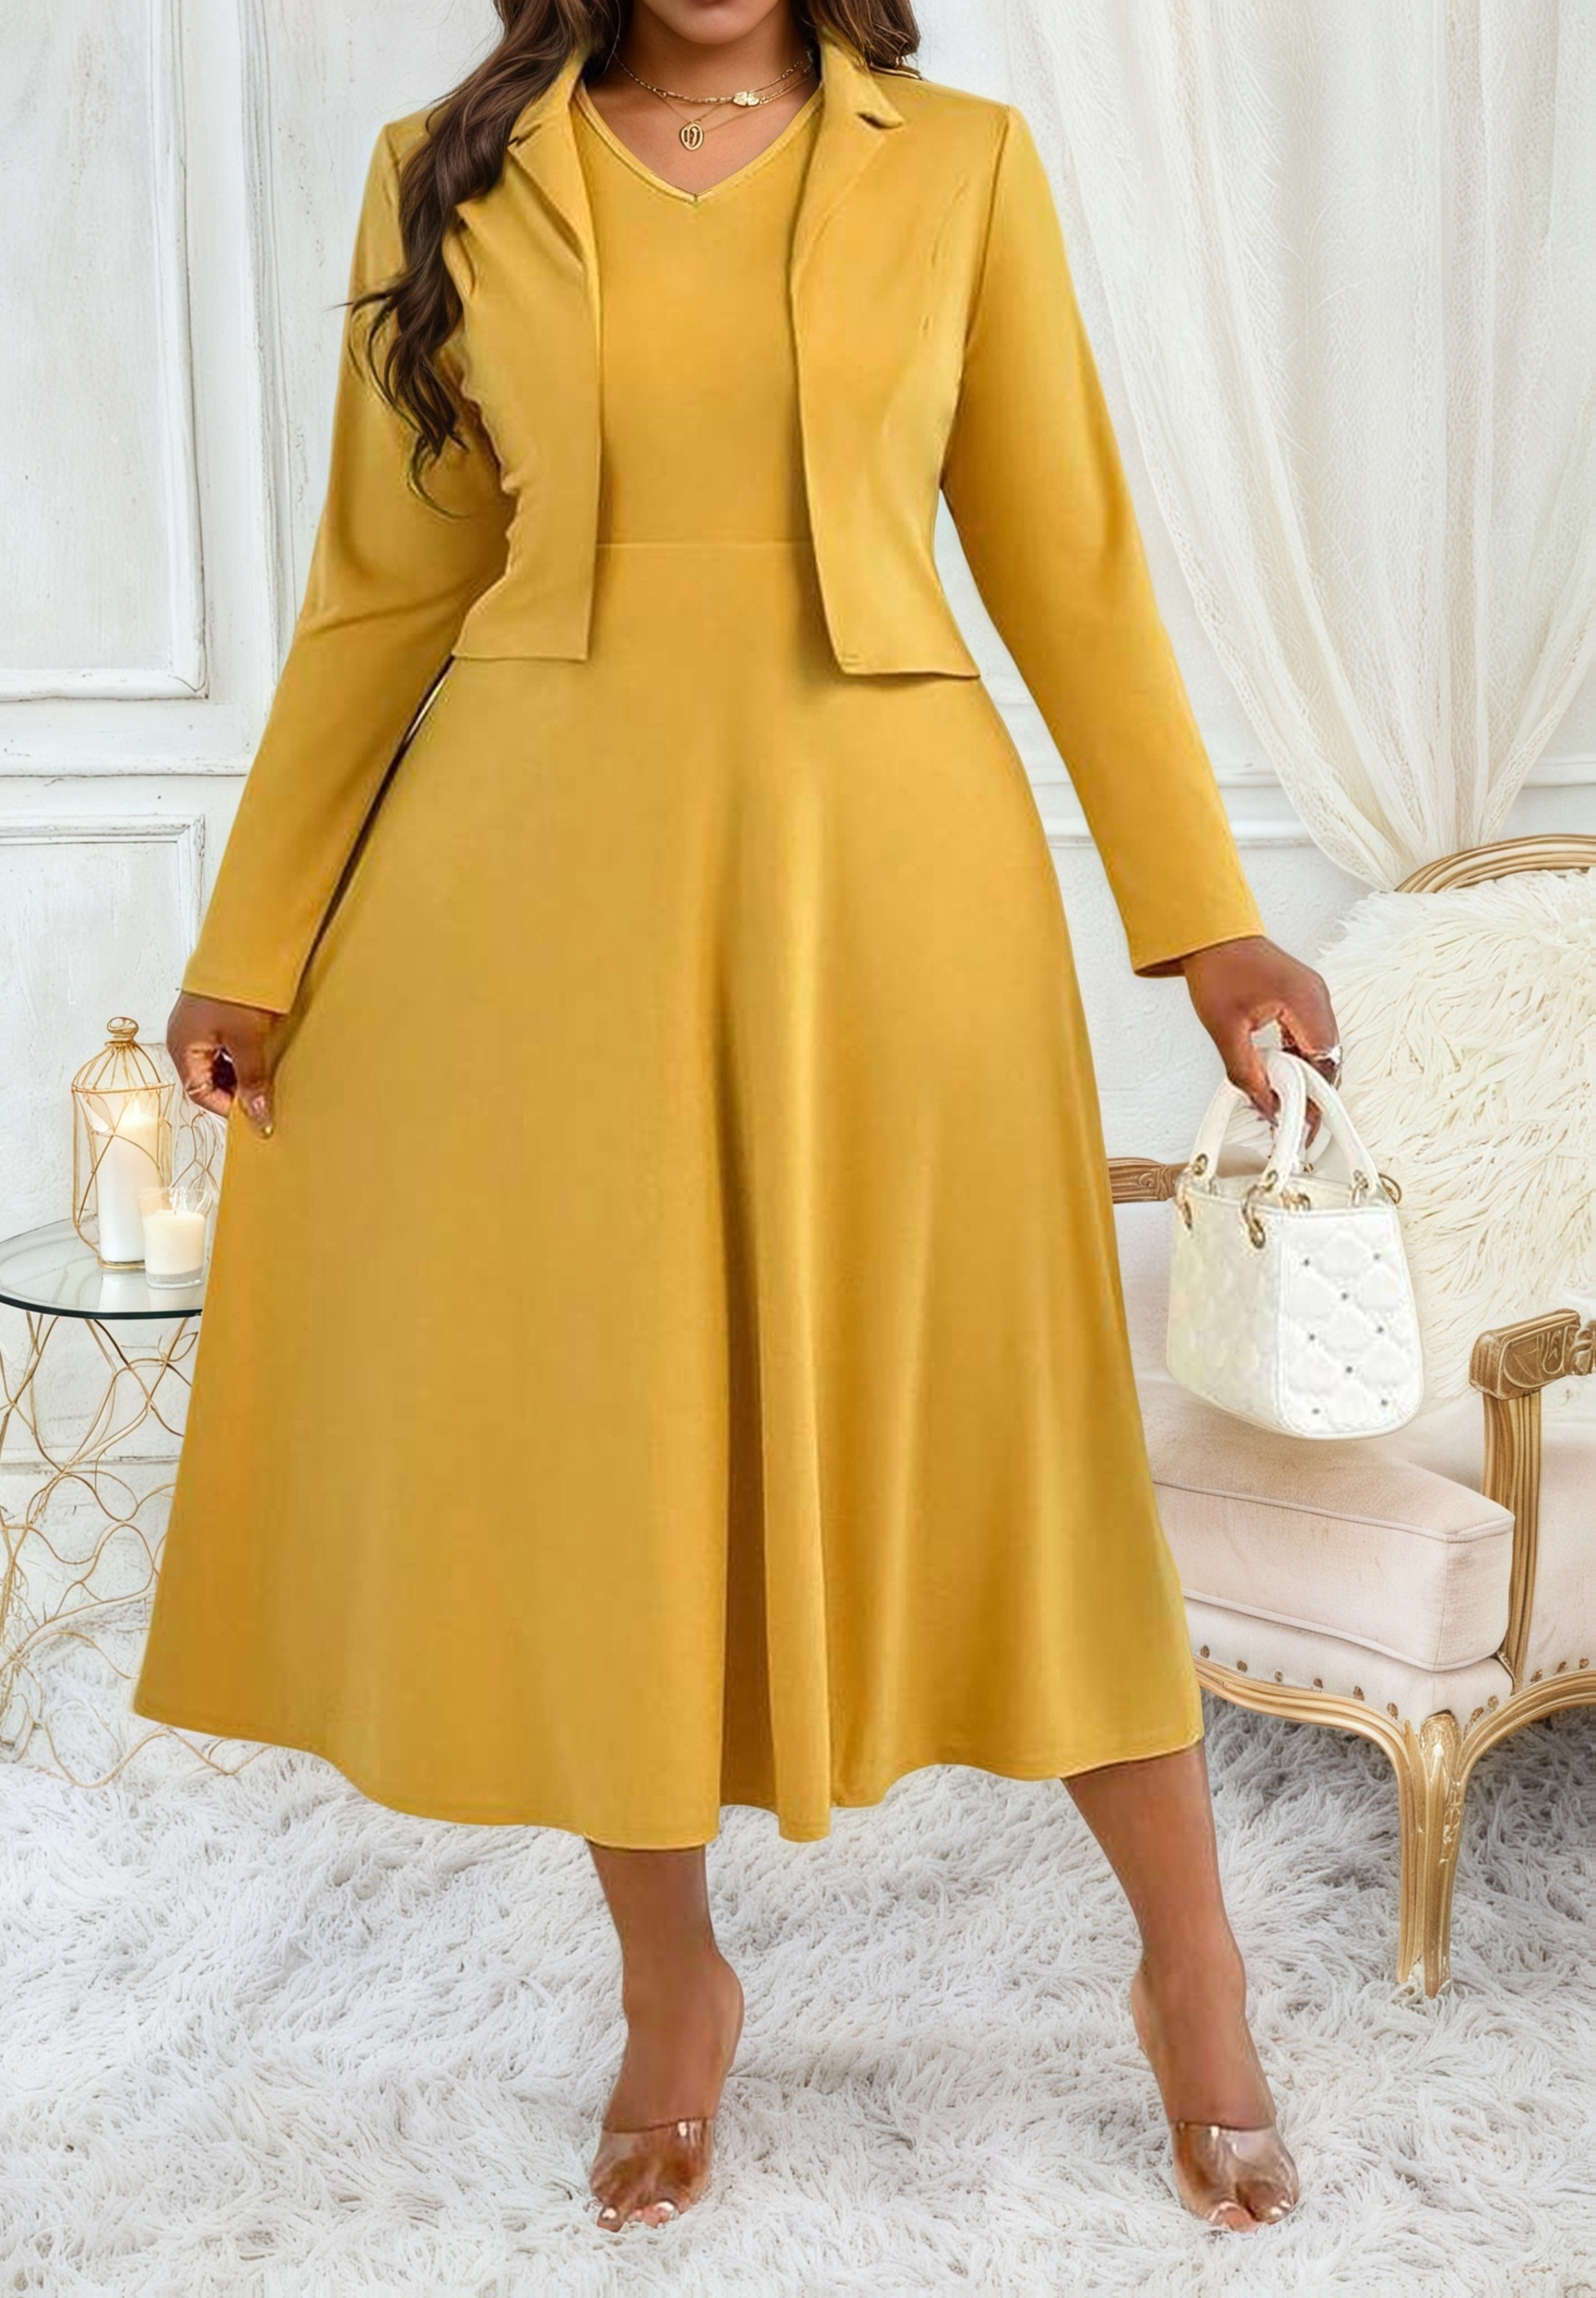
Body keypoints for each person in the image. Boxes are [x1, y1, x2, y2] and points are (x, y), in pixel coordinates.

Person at [135, 0, 1337, 2236]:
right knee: (622, 1444)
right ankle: (671, 1981)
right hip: (535, 885)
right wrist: (256, 938)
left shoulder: (956, 162)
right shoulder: (451, 166)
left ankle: (1192, 1965)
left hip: (887, 868)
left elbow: (1067, 560)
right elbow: (382, 591)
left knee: (1005, 1423)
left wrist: (1206, 922)